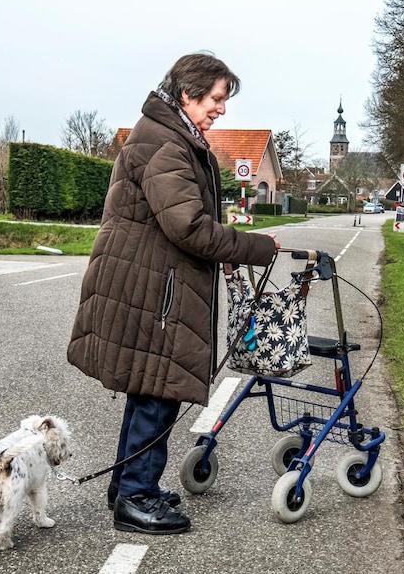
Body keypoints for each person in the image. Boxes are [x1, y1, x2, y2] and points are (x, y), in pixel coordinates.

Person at [67, 53, 279, 535]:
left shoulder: (167, 134)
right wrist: (255, 247)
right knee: (158, 390)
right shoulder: (166, 142)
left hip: (148, 282)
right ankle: (136, 498)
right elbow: (188, 226)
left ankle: (128, 485)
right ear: (188, 93)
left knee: (147, 387)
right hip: (153, 290)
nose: (221, 109)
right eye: (217, 99)